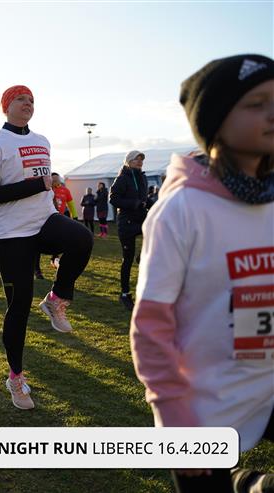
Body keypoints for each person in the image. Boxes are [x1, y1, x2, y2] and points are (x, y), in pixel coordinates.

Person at [131, 54, 274, 493]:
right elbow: (150, 327)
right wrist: (173, 414)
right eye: (256, 104)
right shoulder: (181, 210)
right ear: (215, 123)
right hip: (201, 408)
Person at [0, 85, 93, 410]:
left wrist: (46, 193)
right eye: (21, 99)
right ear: (6, 106)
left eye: (31, 100)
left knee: (82, 238)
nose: (27, 103)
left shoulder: (42, 141)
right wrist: (35, 185)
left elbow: (43, 190)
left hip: (43, 221)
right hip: (11, 233)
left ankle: (56, 299)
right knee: (18, 308)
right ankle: (16, 378)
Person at [110, 150, 148, 311]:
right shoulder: (122, 178)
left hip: (142, 218)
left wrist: (150, 203)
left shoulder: (143, 177)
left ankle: (142, 257)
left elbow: (143, 198)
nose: (139, 162)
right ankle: (125, 294)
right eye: (136, 159)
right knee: (128, 259)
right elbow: (113, 199)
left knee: (156, 234)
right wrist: (134, 204)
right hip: (126, 222)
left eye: (141, 160)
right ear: (128, 161)